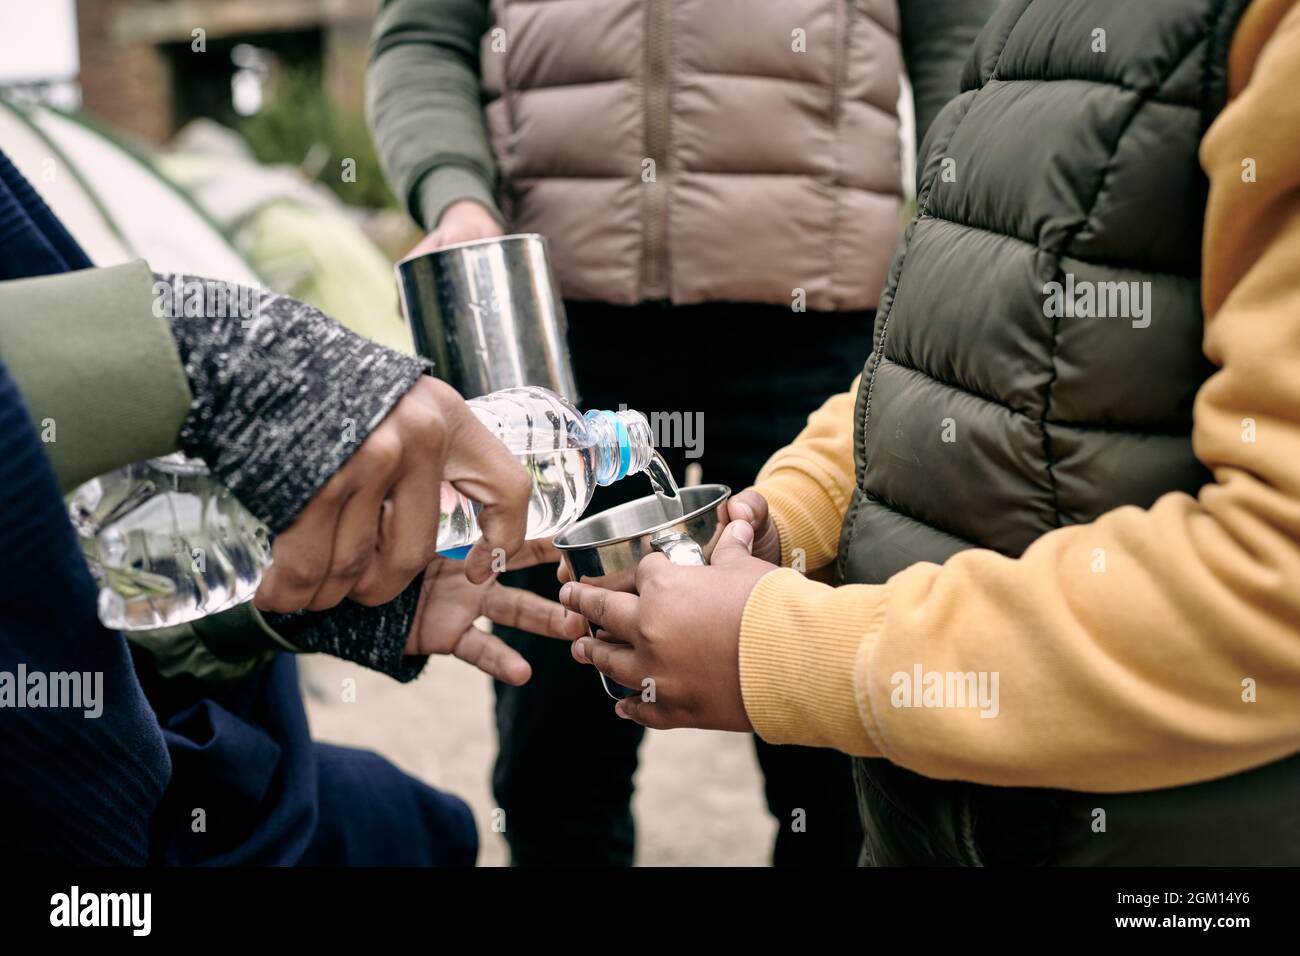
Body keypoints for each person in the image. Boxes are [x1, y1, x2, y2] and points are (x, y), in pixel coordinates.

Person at [560, 0, 1300, 864]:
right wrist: (791, 518)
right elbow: (945, 361)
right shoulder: (1027, 22)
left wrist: (791, 652)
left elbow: (1275, 577)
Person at [367, 0, 999, 867]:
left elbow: (959, 41)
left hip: (815, 330)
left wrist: (956, 226)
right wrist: (457, 196)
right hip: (561, 342)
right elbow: (425, 32)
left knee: (834, 758)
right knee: (555, 740)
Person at [0, 149, 583, 864]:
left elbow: (93, 578)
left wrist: (284, 597)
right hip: (82, 823)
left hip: (132, 739)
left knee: (425, 824)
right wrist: (226, 360)